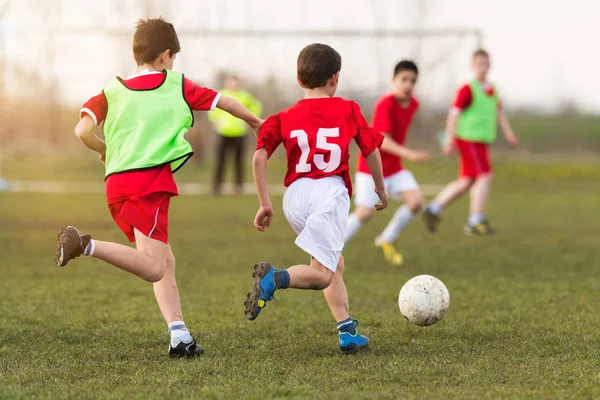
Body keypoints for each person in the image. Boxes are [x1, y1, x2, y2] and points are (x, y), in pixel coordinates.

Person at [53, 18, 262, 358]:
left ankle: (179, 336)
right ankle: (84, 244)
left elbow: (81, 131)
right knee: (153, 265)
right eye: (174, 58)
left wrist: (102, 148)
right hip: (148, 183)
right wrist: (255, 121)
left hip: (116, 183)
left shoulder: (112, 89)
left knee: (166, 259)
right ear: (166, 55)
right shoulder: (175, 83)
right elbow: (222, 101)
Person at [244, 43, 388, 354]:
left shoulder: (283, 116)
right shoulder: (348, 109)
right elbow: (371, 151)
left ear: (299, 80)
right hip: (329, 193)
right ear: (335, 78)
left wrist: (264, 202)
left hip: (294, 197)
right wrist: (380, 188)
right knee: (322, 274)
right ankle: (274, 278)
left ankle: (347, 330)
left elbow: (258, 158)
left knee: (333, 261)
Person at [423, 49, 518, 235]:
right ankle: (475, 221)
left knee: (467, 180)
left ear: (490, 65)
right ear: (473, 66)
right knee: (485, 176)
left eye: (486, 63)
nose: (483, 67)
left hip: (482, 142)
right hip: (468, 139)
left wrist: (509, 134)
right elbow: (453, 114)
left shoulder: (492, 90)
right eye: (479, 64)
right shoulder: (467, 89)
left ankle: (433, 208)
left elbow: (499, 113)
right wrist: (449, 139)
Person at [344, 61, 429, 265]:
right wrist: (409, 153)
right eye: (404, 80)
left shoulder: (413, 104)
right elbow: (381, 140)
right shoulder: (385, 104)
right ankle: (329, 250)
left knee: (416, 202)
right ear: (394, 80)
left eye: (413, 81)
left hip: (395, 168)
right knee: (364, 214)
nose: (408, 84)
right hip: (371, 168)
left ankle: (386, 239)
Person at [209, 75, 263, 195]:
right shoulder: (221, 95)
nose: (233, 85)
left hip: (239, 133)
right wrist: (215, 121)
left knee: (238, 162)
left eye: (235, 83)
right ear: (226, 83)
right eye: (231, 83)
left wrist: (250, 121)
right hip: (223, 132)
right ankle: (217, 187)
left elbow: (256, 106)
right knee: (220, 161)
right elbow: (211, 109)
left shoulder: (245, 96)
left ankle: (238, 187)